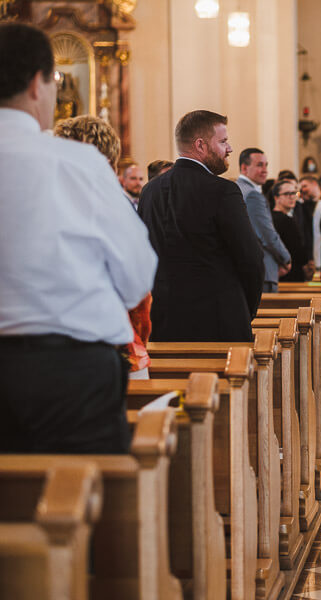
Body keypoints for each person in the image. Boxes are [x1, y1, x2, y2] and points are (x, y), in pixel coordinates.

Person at [0, 23, 157, 453]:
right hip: (69, 374)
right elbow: (136, 276)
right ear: (37, 84)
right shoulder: (80, 164)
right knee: (83, 504)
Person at [139, 110, 264, 342]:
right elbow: (251, 259)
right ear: (201, 145)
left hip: (164, 322)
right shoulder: (222, 190)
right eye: (223, 141)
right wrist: (244, 308)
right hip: (217, 322)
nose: (230, 149)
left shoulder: (149, 191)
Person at [53, 114, 154, 381]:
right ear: (109, 161)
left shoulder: (40, 198)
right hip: (109, 347)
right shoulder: (109, 203)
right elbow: (139, 290)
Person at [237, 147, 292, 293]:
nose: (265, 170)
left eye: (266, 165)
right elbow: (266, 233)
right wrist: (286, 258)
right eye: (259, 165)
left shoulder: (237, 189)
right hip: (263, 270)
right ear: (244, 167)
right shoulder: (252, 195)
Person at [271, 179, 314, 282]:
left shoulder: (278, 217)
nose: (292, 197)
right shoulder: (284, 220)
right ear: (276, 198)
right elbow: (298, 251)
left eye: (294, 193)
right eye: (287, 194)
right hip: (289, 273)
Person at [298, 174, 321, 267]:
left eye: (305, 186)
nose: (302, 190)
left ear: (314, 184)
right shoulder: (301, 208)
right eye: (300, 188)